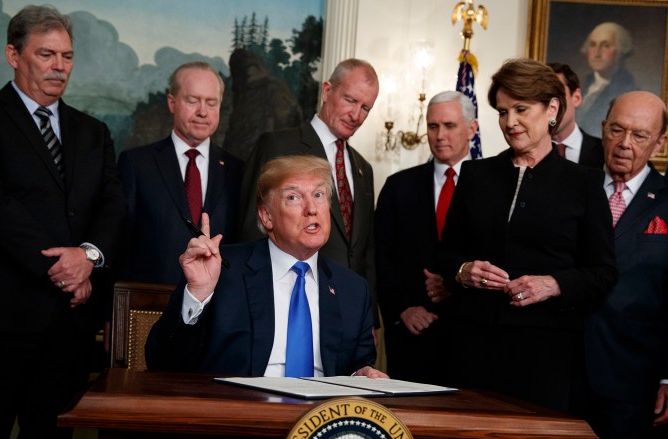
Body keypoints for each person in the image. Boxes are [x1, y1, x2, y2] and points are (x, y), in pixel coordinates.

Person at [0, 5, 127, 439]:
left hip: (67, 329)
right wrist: (64, 269)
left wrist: (88, 256)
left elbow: (114, 204)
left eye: (66, 56)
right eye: (46, 55)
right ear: (13, 54)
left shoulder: (93, 132)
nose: (59, 67)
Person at [437, 58, 617, 415]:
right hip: (472, 347)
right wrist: (462, 271)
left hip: (547, 356)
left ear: (552, 109)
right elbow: (444, 254)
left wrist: (554, 284)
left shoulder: (584, 183)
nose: (510, 122)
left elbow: (603, 272)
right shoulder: (476, 174)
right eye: (502, 112)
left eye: (520, 109)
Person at [145, 155, 386, 378]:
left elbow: (359, 367)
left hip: (317, 420)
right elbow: (162, 363)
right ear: (266, 217)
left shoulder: (353, 289)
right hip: (239, 415)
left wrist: (362, 375)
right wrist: (198, 293)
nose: (311, 209)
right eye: (293, 197)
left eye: (319, 195)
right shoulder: (221, 269)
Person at [584, 91, 668, 439]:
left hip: (634, 382)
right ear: (603, 129)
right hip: (563, 372)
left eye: (639, 135)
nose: (624, 144)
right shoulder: (575, 188)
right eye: (617, 130)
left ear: (660, 142)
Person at [237, 58, 381, 329]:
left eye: (365, 108)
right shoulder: (278, 144)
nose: (356, 115)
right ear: (327, 91)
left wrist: (370, 319)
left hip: (347, 313)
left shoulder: (364, 168)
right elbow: (250, 229)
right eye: (350, 100)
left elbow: (365, 252)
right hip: (285, 302)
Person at [375, 91, 477, 384]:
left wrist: (456, 285)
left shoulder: (492, 184)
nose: (440, 135)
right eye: (433, 126)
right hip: (412, 337)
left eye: (449, 126)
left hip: (470, 337)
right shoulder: (398, 187)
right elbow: (381, 258)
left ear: (471, 128)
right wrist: (401, 310)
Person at [118, 62, 242, 285]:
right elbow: (119, 239)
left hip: (217, 304)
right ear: (172, 102)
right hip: (149, 302)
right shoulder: (136, 164)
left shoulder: (237, 170)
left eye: (211, 103)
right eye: (192, 101)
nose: (202, 112)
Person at [577, 22, 638, 136]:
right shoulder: (581, 86)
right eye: (593, 45)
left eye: (606, 45)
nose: (597, 53)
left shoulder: (629, 91)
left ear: (620, 51)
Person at [547, 62, 603, 168]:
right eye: (542, 97)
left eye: (557, 96)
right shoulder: (525, 152)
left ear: (576, 98)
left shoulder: (604, 152)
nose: (550, 105)